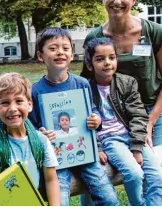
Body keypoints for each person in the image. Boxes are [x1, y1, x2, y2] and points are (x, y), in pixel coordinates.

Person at [81, 0, 162, 148]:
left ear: (134, 0)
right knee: (122, 173)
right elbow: (88, 84)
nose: (117, 1)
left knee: (153, 171)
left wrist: (149, 122)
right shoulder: (94, 37)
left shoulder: (153, 32)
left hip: (152, 114)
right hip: (113, 118)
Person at [28, 28, 119, 206]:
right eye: (53, 48)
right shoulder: (35, 90)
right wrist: (41, 134)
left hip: (86, 153)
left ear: (72, 54)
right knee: (59, 201)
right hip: (55, 159)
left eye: (65, 48)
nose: (60, 52)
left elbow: (93, 112)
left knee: (109, 197)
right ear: (40, 55)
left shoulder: (82, 84)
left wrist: (97, 120)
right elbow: (30, 126)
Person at [84, 37, 162, 205]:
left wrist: (136, 147)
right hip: (110, 140)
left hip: (131, 136)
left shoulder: (127, 83)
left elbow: (138, 115)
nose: (107, 63)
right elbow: (85, 124)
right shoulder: (85, 88)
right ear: (90, 64)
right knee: (134, 174)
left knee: (157, 177)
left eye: (111, 57)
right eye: (100, 59)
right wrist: (97, 147)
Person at [0, 72, 60, 205]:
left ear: (29, 104)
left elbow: (51, 180)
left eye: (19, 101)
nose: (12, 108)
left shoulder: (41, 141)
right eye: (5, 103)